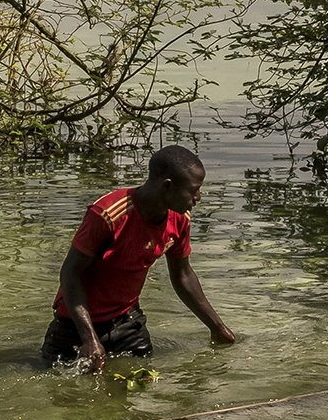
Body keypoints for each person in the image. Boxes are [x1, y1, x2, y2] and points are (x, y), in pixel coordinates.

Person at [41, 145, 237, 370]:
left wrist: (217, 328)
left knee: (140, 385)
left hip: (127, 322)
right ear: (167, 187)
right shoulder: (108, 214)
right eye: (193, 190)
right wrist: (89, 339)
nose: (198, 197)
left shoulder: (180, 219)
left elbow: (183, 276)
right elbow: (70, 273)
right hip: (75, 326)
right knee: (67, 394)